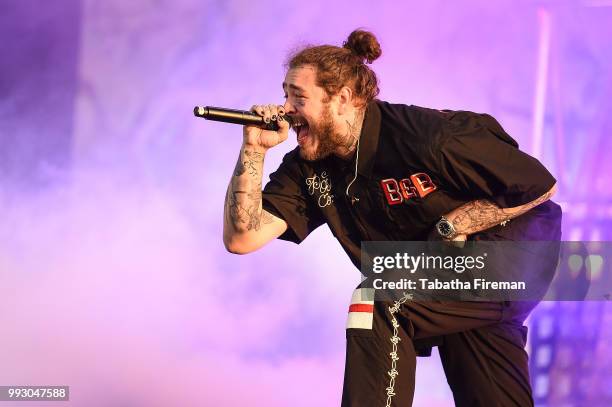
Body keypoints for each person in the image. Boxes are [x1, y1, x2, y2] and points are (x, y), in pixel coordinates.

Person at [222, 29, 561, 407]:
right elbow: (242, 238)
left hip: (515, 256)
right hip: (448, 277)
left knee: (380, 298)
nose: (284, 108)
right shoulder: (308, 167)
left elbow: (539, 185)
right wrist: (253, 149)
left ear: (343, 99)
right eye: (284, 94)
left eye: (298, 97)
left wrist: (456, 224)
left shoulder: (427, 136)